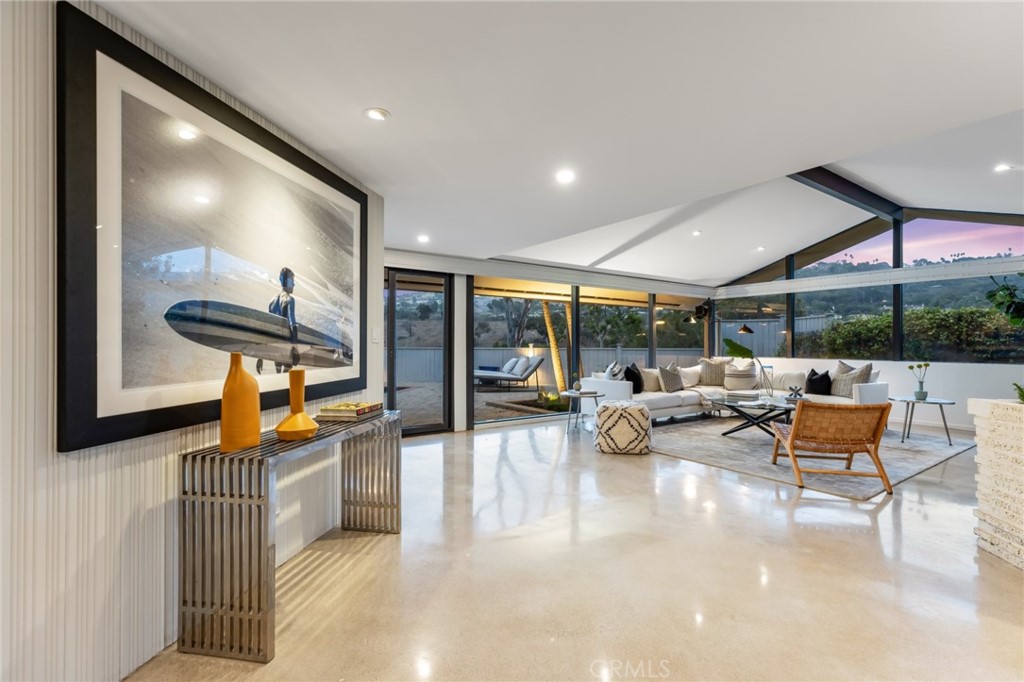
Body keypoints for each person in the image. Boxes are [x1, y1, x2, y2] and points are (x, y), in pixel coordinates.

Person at [256, 267, 301, 374]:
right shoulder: (289, 299)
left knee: (278, 375)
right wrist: (295, 349)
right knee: (286, 377)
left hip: (275, 347)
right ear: (287, 281)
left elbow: (268, 328)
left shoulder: (272, 302)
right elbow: (293, 324)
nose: (294, 284)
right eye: (292, 281)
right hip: (286, 347)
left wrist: (260, 356)